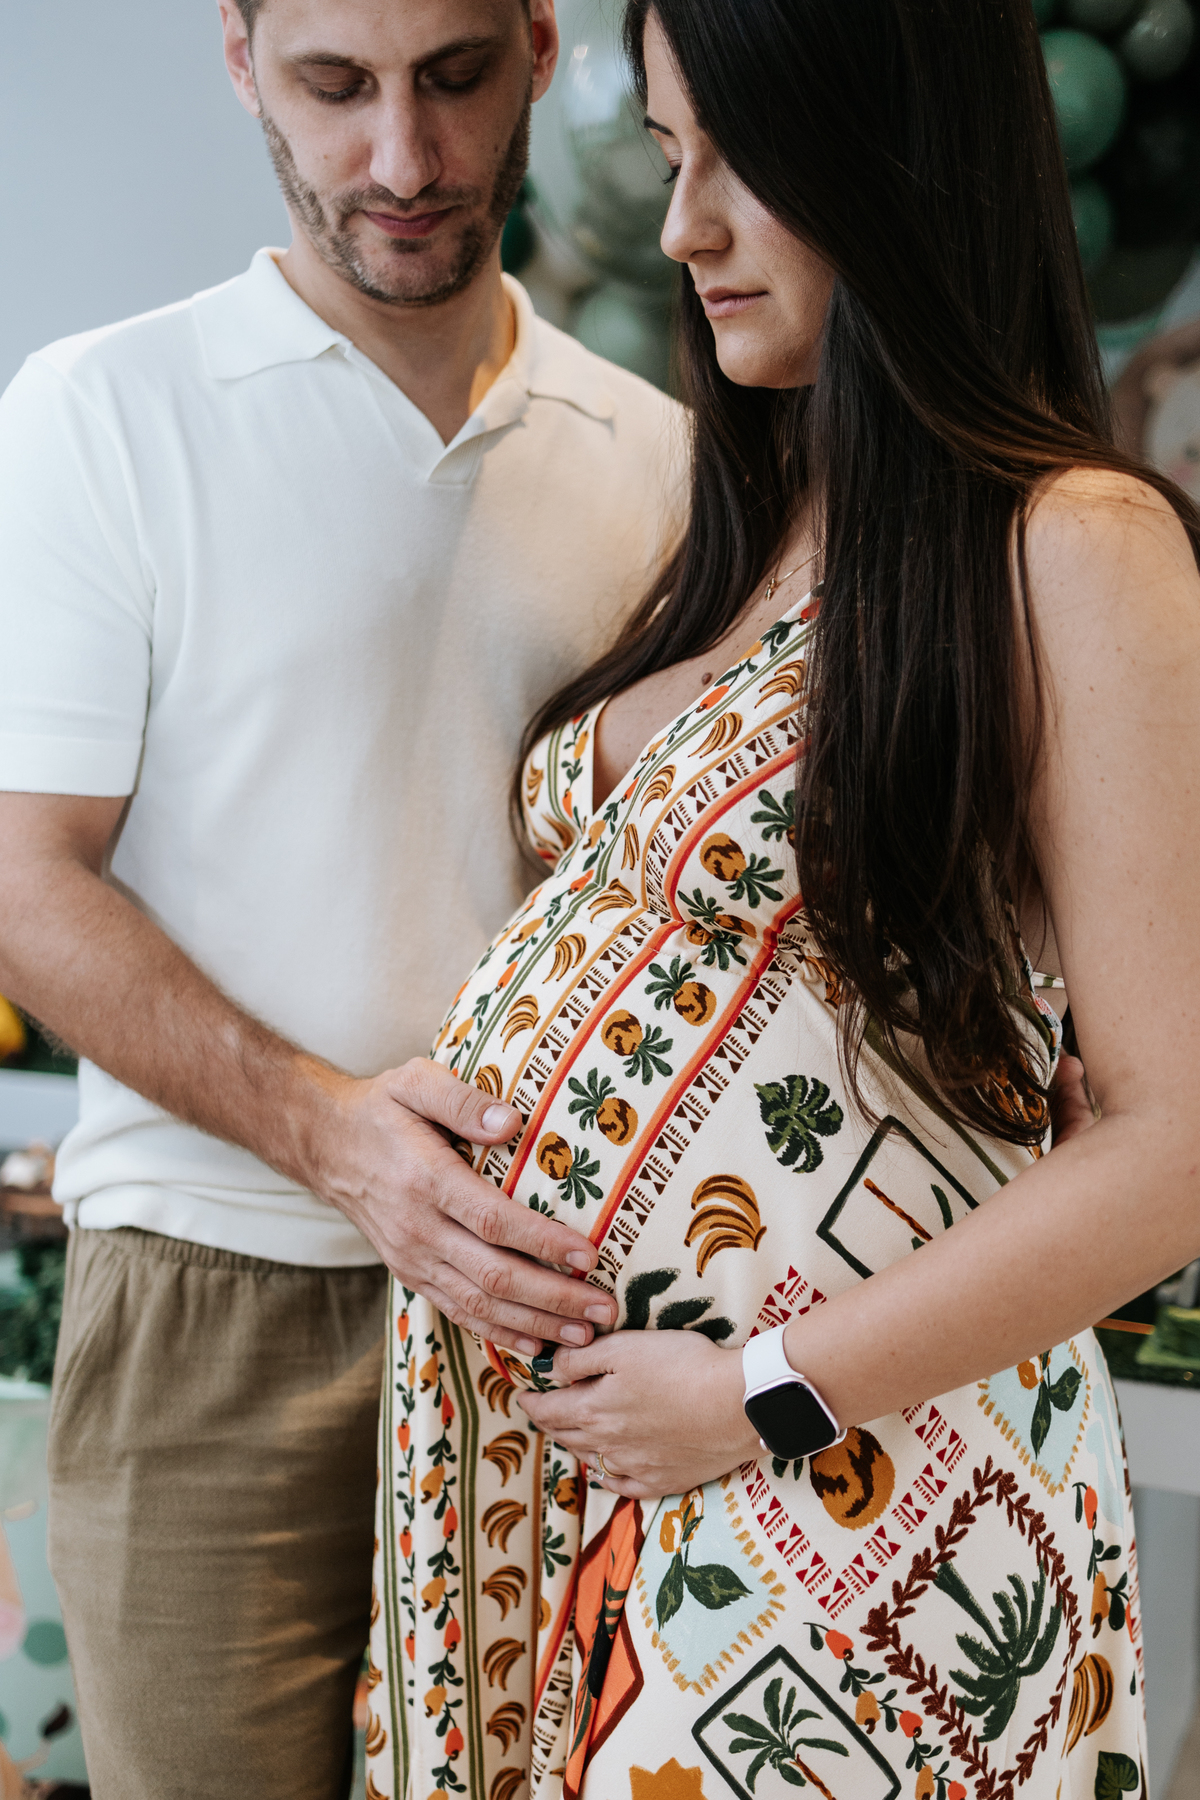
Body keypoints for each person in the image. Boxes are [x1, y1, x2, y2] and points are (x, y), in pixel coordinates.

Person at [367, 1, 1200, 1796]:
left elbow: (1175, 1145)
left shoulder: (1075, 542)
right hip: (576, 1483)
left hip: (837, 1503)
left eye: (743, 161)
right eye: (672, 158)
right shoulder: (764, 510)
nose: (683, 228)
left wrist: (762, 1395)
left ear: (897, 159)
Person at [0, 0, 687, 1792]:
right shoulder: (102, 413)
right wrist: (337, 1138)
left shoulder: (661, 455)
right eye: (334, 86)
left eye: (454, 77)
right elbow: (19, 875)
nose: (403, 157)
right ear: (241, 60)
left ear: (539, 46)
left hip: (553, 1315)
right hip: (208, 1302)